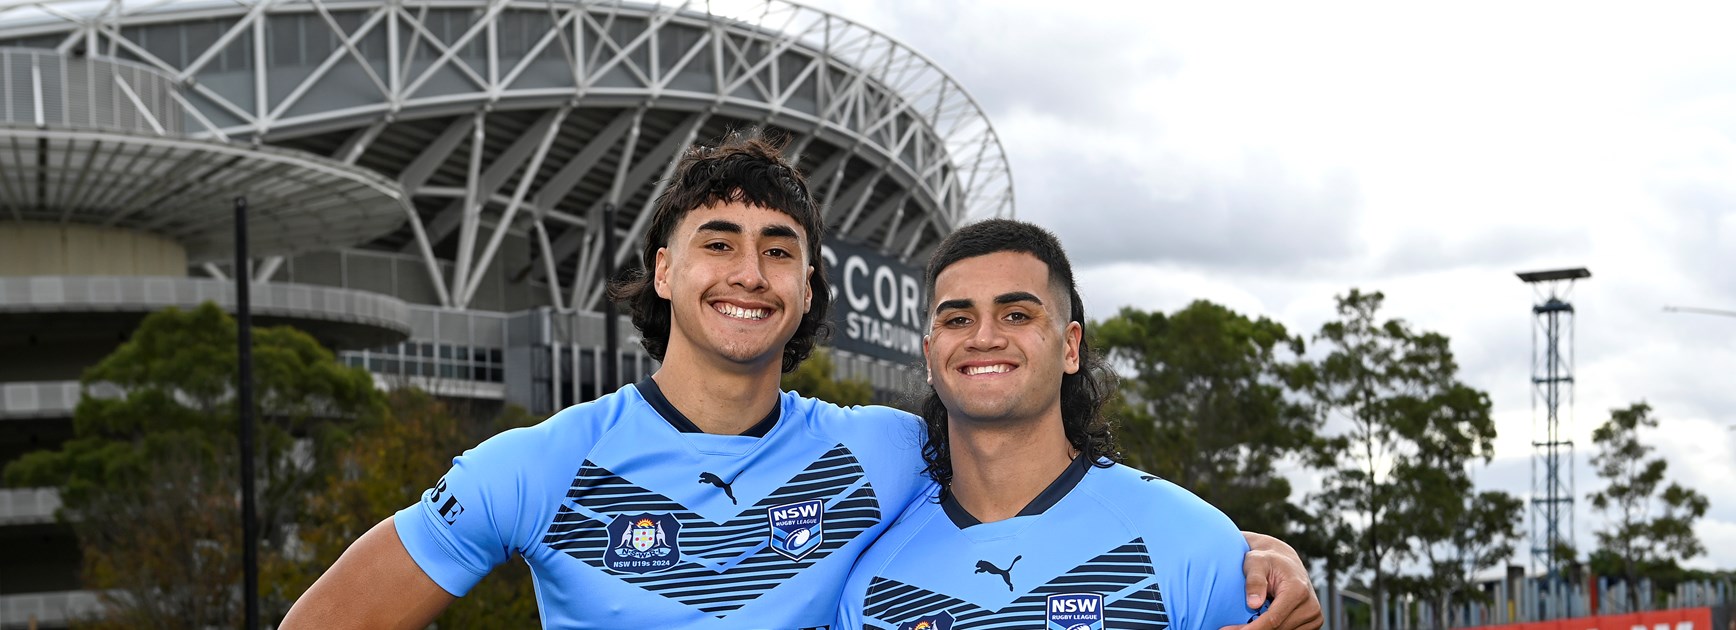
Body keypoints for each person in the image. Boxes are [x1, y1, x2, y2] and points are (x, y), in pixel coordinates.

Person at [283, 133, 1320, 629]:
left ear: (809, 286)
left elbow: (1033, 476)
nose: (748, 272)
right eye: (718, 242)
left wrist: (1247, 558)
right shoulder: (538, 466)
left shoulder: (879, 454)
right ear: (664, 272)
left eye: (778, 249)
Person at [837, 219, 1315, 630]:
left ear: (1070, 347)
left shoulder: (1195, 545)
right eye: (958, 319)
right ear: (929, 356)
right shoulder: (871, 584)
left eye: (1016, 314)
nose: (984, 337)